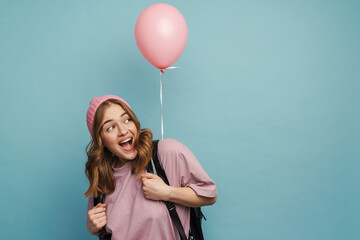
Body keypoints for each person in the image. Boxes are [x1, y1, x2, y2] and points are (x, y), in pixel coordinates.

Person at [84, 95, 217, 240]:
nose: (123, 131)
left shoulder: (166, 153)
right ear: (101, 140)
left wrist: (168, 192)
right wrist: (93, 228)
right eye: (110, 128)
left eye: (127, 120)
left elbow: (210, 196)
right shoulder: (102, 179)